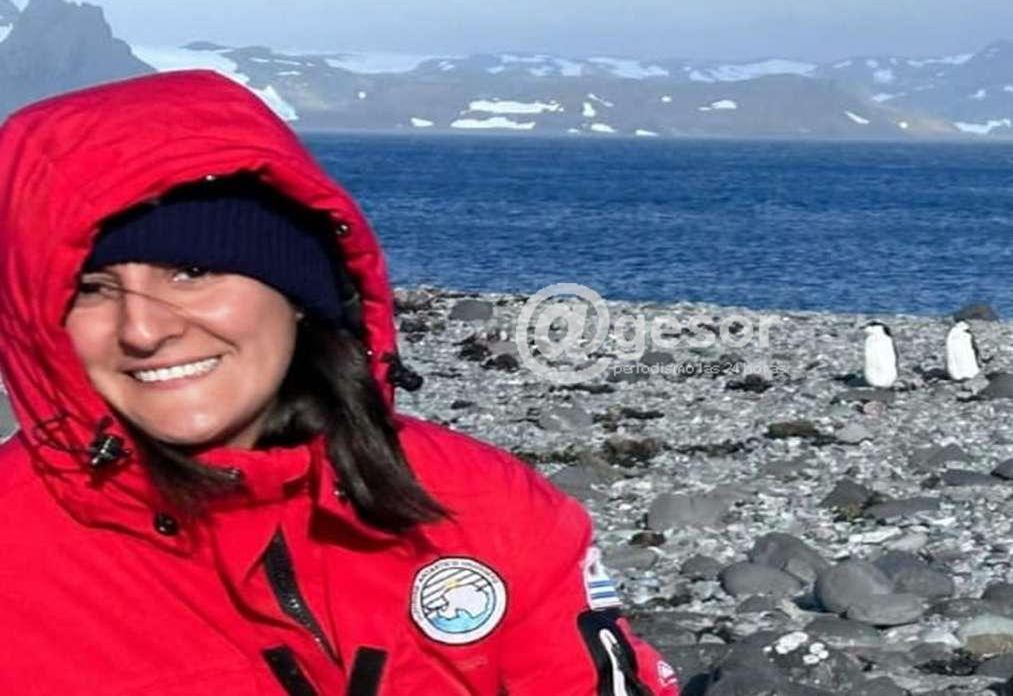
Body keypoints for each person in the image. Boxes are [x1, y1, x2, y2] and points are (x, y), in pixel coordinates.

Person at [0, 70, 679, 696]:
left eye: (192, 272)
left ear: (298, 292)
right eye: (92, 289)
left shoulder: (482, 504)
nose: (143, 329)